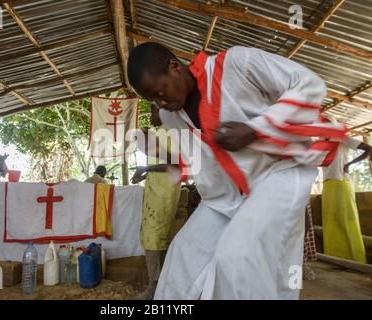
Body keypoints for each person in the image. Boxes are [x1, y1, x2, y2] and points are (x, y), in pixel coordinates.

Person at [127, 42, 346, 299]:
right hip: (224, 200)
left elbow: (310, 85)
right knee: (181, 258)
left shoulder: (236, 65)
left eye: (160, 92)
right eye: (152, 99)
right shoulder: (171, 117)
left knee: (237, 262)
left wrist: (256, 129)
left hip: (277, 181)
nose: (160, 103)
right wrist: (159, 153)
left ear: (174, 67)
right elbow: (193, 162)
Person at [131, 104, 182, 299]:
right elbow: (158, 164)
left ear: (162, 112)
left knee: (155, 236)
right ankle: (158, 285)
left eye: (152, 111)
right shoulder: (160, 133)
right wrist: (144, 174)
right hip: (155, 191)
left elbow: (177, 163)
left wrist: (145, 170)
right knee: (151, 235)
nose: (150, 115)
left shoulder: (172, 132)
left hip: (165, 193)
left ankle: (155, 288)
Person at [322, 136, 372, 263]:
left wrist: (349, 164)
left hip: (340, 182)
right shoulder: (322, 144)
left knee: (346, 220)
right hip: (327, 184)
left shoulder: (342, 138)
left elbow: (368, 148)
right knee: (330, 222)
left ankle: (354, 259)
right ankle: (335, 258)